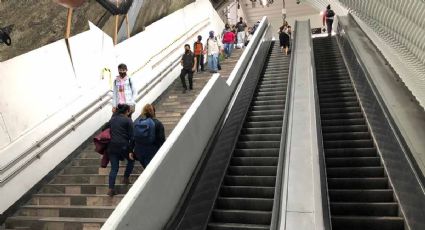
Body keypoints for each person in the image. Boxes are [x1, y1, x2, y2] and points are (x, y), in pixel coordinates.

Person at [107, 104, 135, 196]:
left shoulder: (112, 119)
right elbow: (132, 137)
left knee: (114, 168)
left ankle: (111, 189)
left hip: (111, 146)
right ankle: (125, 178)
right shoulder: (128, 120)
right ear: (127, 111)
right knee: (131, 160)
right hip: (123, 146)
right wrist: (131, 150)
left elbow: (104, 129)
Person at [130, 104, 165, 168]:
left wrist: (130, 150)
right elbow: (161, 140)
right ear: (153, 112)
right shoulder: (157, 124)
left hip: (139, 152)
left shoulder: (137, 122)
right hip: (152, 152)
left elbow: (133, 138)